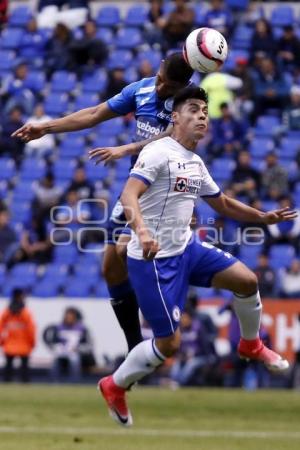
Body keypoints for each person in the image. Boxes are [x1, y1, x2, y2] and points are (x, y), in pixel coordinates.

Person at [98, 86, 297, 427]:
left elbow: (221, 203)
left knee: (248, 281)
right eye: (193, 109)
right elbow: (129, 194)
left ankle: (251, 345)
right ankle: (114, 385)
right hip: (153, 260)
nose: (202, 115)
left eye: (204, 111)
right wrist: (143, 232)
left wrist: (261, 217)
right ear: (174, 118)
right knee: (169, 344)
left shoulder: (195, 161)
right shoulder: (159, 152)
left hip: (187, 248)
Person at [12, 52, 194, 353]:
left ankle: (163, 330)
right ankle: (136, 348)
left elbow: (173, 137)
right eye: (160, 79)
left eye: (168, 86)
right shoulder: (142, 89)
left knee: (124, 249)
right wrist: (46, 127)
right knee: (109, 267)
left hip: (166, 194)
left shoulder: (189, 104)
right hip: (137, 186)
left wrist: (127, 148)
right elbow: (95, 113)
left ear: (182, 85)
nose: (160, 87)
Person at [43, 306, 95, 382]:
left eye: (71, 317)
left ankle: (74, 381)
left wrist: (78, 349)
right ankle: (54, 382)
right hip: (62, 353)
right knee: (55, 361)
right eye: (67, 317)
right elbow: (53, 343)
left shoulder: (82, 328)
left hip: (76, 353)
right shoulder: (58, 328)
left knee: (74, 360)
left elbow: (89, 345)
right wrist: (57, 348)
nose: (69, 319)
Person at [0, 288, 36, 382]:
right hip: (24, 344)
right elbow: (31, 329)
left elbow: (1, 327)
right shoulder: (25, 312)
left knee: (8, 368)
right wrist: (32, 342)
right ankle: (25, 385)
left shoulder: (7, 312)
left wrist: (2, 341)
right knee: (24, 369)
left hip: (9, 344)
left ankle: (7, 384)